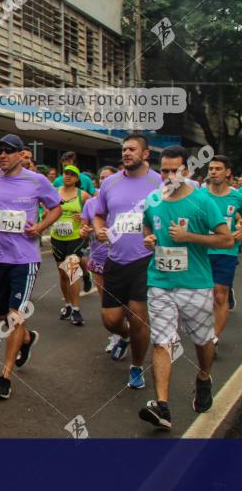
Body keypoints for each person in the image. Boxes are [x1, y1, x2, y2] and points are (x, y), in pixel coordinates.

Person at [139, 146, 233, 429]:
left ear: (187, 172)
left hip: (195, 283)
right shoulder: (153, 200)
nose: (168, 176)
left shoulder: (203, 202)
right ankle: (162, 406)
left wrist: (190, 236)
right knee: (161, 341)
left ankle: (204, 376)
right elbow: (146, 228)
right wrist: (149, 240)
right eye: (164, 171)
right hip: (160, 282)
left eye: (174, 171)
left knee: (203, 342)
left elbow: (226, 240)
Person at [0, 134, 61, 400]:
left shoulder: (37, 181)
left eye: (9, 150)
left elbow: (55, 208)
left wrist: (41, 227)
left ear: (22, 154)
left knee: (13, 317)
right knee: (5, 318)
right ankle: (28, 339)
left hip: (25, 259)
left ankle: (5, 376)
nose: (3, 155)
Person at [92, 134, 161, 388]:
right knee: (110, 320)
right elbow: (99, 215)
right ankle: (125, 337)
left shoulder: (159, 182)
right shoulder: (109, 183)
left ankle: (136, 366)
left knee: (138, 316)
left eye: (132, 149)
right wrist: (99, 229)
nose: (126, 153)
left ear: (145, 154)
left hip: (145, 260)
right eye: (124, 149)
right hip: (115, 258)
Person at [202, 156, 242, 348]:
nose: (213, 172)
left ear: (227, 173)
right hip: (201, 250)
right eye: (211, 168)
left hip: (226, 250)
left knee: (219, 295)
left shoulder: (237, 197)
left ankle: (214, 338)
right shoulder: (200, 195)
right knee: (202, 296)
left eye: (218, 168)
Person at [80, 166, 119, 352]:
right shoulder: (91, 203)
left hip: (121, 258)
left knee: (124, 300)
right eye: (102, 177)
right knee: (107, 302)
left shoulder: (123, 201)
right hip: (98, 257)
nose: (104, 180)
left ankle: (128, 331)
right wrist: (84, 231)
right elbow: (83, 229)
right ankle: (117, 334)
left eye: (108, 177)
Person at [52, 165, 91, 326]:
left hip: (76, 237)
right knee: (62, 273)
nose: (68, 176)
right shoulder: (54, 192)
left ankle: (76, 309)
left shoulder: (83, 196)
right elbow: (46, 210)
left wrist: (82, 218)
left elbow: (91, 214)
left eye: (72, 174)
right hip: (57, 236)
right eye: (66, 173)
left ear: (76, 179)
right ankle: (67, 305)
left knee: (72, 270)